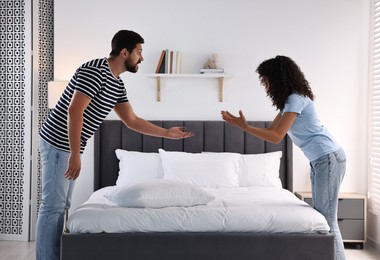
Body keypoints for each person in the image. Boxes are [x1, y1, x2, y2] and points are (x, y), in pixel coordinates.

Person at [36, 30, 194, 260]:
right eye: (139, 52)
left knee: (61, 205)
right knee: (52, 207)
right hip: (57, 142)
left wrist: (166, 133)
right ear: (124, 52)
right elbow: (75, 110)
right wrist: (74, 153)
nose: (141, 58)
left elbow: (132, 120)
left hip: (69, 146)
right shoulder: (95, 71)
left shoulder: (116, 84)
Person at [221, 55, 346, 260]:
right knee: (323, 216)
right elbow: (272, 131)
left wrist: (245, 127)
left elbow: (276, 136)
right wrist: (242, 126)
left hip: (328, 158)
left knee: (327, 219)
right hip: (321, 160)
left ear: (277, 77)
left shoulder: (295, 99)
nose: (263, 83)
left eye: (265, 78)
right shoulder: (288, 102)